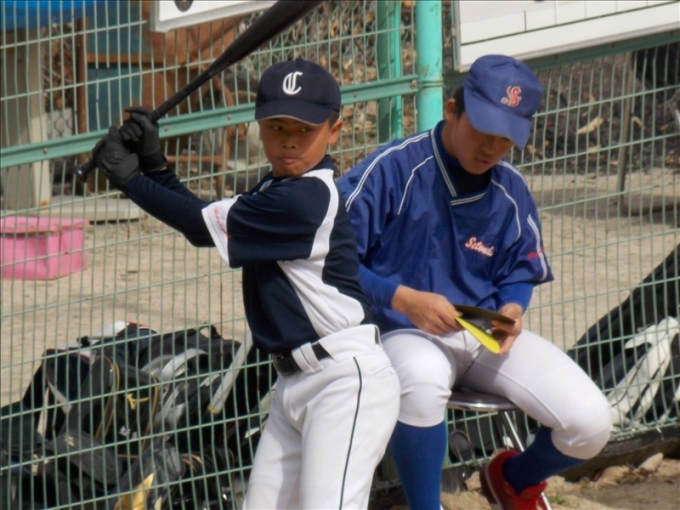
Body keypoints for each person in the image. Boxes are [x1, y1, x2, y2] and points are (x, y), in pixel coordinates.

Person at [90, 58, 400, 509]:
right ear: (259, 126)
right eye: (277, 127)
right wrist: (154, 167)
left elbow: (197, 226)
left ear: (334, 131)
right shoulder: (274, 189)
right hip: (293, 383)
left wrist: (130, 179)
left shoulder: (307, 199)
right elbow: (206, 216)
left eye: (304, 129)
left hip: (343, 381)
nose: (289, 140)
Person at [336, 54, 612, 510]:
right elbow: (332, 263)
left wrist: (513, 309)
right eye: (484, 130)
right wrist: (403, 299)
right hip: (400, 330)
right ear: (452, 110)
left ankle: (512, 480)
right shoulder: (393, 169)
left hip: (482, 328)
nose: (491, 148)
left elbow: (519, 269)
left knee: (590, 422)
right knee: (422, 377)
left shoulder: (510, 188)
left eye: (506, 139)